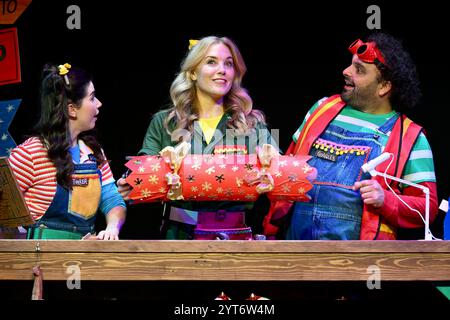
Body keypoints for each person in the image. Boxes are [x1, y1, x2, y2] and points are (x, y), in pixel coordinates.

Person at [264, 32, 438, 240]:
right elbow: (287, 170)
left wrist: (386, 199)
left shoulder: (409, 137)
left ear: (384, 86)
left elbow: (428, 207)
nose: (346, 72)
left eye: (359, 70)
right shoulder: (321, 109)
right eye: (351, 65)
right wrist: (271, 165)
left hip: (359, 262)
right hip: (295, 249)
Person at [117, 36, 276, 239]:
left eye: (229, 63)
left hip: (236, 237)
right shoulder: (165, 122)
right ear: (192, 72)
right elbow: (146, 167)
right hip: (179, 235)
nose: (223, 70)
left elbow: (277, 172)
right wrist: (131, 181)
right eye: (211, 62)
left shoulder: (252, 124)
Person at [9, 63, 126, 240]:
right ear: (71, 109)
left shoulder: (93, 153)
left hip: (81, 259)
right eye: (92, 98)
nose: (99, 104)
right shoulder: (30, 154)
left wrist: (112, 228)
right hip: (39, 260)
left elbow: (112, 198)